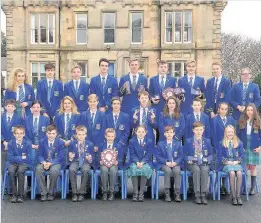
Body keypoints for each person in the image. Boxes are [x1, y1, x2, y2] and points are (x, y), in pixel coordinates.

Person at [184, 122, 213, 205]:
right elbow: (184, 155)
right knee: (196, 170)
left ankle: (203, 195)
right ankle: (197, 195)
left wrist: (206, 159)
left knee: (204, 170)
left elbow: (211, 155)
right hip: (192, 163)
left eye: (201, 130)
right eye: (197, 130)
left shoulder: (207, 141)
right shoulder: (188, 141)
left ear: (203, 130)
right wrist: (191, 159)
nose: (199, 132)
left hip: (204, 163)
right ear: (193, 130)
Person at [211, 102, 236, 195]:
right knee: (220, 166)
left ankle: (225, 186)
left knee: (228, 166)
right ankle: (219, 186)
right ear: (218, 109)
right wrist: (217, 147)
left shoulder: (231, 119)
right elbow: (213, 134)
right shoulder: (214, 120)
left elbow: (234, 134)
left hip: (229, 147)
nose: (224, 111)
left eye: (226, 109)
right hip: (218, 147)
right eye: (222, 109)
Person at [35, 124, 65, 201]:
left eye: (53, 133)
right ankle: (44, 193)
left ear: (56, 134)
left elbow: (60, 157)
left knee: (54, 171)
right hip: (44, 162)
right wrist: (44, 162)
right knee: (38, 169)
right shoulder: (42, 142)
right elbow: (39, 155)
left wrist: (51, 163)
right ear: (46, 133)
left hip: (55, 162)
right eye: (49, 133)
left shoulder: (60, 142)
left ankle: (51, 193)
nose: (51, 135)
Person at [237, 103, 261, 195]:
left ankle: (252, 187)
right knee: (245, 166)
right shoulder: (241, 120)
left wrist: (260, 147)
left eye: (251, 110)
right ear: (245, 111)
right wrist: (239, 146)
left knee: (253, 166)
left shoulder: (258, 121)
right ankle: (244, 187)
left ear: (254, 111)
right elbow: (238, 135)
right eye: (248, 110)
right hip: (243, 146)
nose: (249, 112)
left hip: (254, 146)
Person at [217, 125, 244, 205]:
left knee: (239, 173)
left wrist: (237, 161)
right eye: (228, 132)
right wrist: (227, 162)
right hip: (226, 164)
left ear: (234, 133)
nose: (230, 133)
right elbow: (219, 156)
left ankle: (238, 196)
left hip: (236, 163)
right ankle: (233, 196)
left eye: (232, 132)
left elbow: (242, 155)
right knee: (232, 173)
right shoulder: (221, 143)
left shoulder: (239, 142)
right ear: (225, 133)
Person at [156, 126, 183, 202]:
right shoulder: (160, 144)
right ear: (164, 134)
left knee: (177, 171)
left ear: (174, 133)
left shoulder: (178, 143)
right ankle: (167, 193)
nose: (169, 134)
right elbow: (158, 156)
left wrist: (176, 162)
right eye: (167, 132)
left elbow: (181, 156)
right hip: (164, 164)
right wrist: (166, 162)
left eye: (171, 132)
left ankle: (177, 193)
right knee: (167, 171)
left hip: (175, 163)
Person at [127, 125, 153, 202]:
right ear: (136, 132)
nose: (141, 133)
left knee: (145, 169)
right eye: (139, 132)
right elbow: (132, 153)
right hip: (135, 161)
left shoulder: (149, 141)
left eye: (143, 132)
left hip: (146, 161)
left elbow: (149, 154)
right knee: (134, 169)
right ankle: (135, 193)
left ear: (146, 133)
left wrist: (143, 162)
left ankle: (141, 193)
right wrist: (137, 162)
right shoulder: (132, 141)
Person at [68, 125, 93, 202]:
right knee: (71, 169)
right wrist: (71, 157)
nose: (81, 136)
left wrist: (90, 159)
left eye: (83, 134)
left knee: (85, 170)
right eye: (79, 134)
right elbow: (70, 155)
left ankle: (82, 192)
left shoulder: (90, 144)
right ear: (76, 135)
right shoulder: (72, 143)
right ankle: (74, 192)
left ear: (85, 135)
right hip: (75, 160)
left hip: (85, 161)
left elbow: (92, 158)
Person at [80, 94, 106, 169]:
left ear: (97, 102)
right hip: (87, 144)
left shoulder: (102, 115)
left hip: (99, 144)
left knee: (98, 165)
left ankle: (99, 181)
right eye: (90, 102)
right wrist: (90, 144)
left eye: (94, 101)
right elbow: (82, 131)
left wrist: (97, 145)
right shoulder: (83, 115)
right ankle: (88, 181)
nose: (92, 103)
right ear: (88, 102)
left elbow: (103, 130)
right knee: (88, 166)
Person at [98, 128, 125, 201]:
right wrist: (100, 161)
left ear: (115, 136)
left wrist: (117, 161)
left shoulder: (118, 146)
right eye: (109, 136)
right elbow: (98, 156)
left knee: (113, 170)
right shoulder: (101, 145)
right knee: (104, 170)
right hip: (104, 164)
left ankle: (112, 192)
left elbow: (121, 157)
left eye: (112, 136)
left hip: (114, 164)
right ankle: (104, 192)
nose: (110, 138)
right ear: (105, 136)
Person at [7, 126, 32, 203]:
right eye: (17, 133)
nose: (19, 135)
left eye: (21, 133)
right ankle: (14, 194)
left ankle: (21, 195)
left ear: (24, 134)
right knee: (11, 171)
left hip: (24, 163)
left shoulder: (28, 143)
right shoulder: (10, 143)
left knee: (20, 171)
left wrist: (17, 157)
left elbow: (28, 157)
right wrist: (21, 157)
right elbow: (10, 157)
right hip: (12, 163)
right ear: (14, 134)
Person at [1, 100, 24, 179]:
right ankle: (6, 188)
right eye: (8, 106)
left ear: (15, 108)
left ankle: (13, 187)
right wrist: (3, 141)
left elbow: (20, 132)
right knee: (3, 167)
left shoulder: (19, 118)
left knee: (13, 167)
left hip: (14, 146)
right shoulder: (1, 117)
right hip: (2, 146)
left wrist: (10, 143)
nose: (10, 108)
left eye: (12, 106)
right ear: (5, 107)